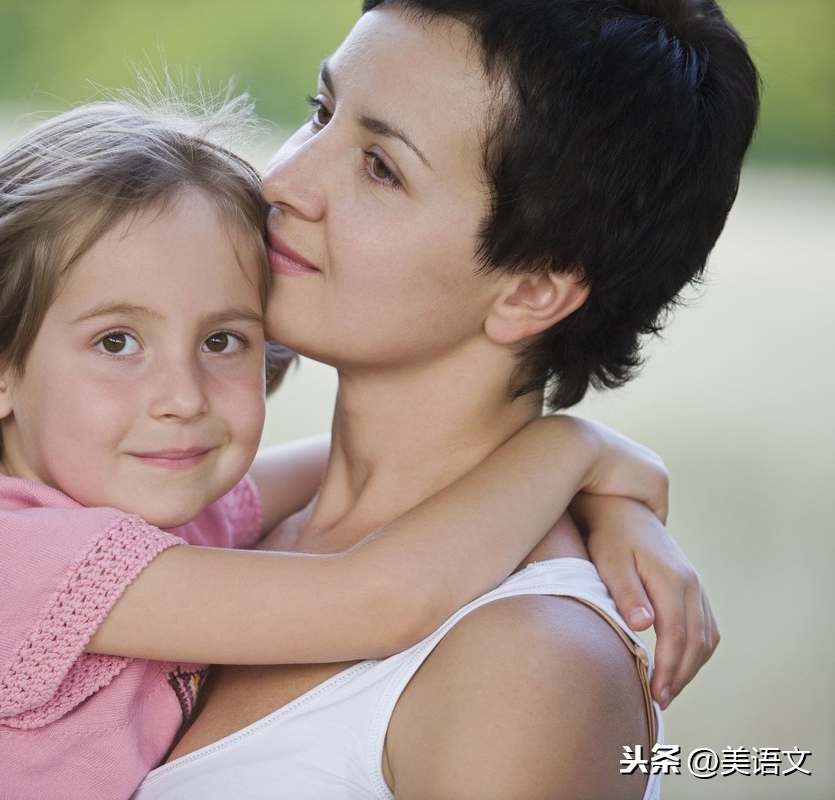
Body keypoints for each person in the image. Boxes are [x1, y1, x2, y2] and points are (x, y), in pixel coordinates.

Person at [0, 99, 689, 799]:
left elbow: (317, 483)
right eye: (115, 343)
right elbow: (380, 598)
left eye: (224, 341)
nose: (182, 400)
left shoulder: (146, 506)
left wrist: (594, 497)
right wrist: (571, 447)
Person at [136, 1, 759, 798]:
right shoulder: (218, 516)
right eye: (320, 112)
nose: (282, 180)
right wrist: (576, 456)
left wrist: (578, 459)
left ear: (532, 289)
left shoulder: (527, 665)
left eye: (380, 167)